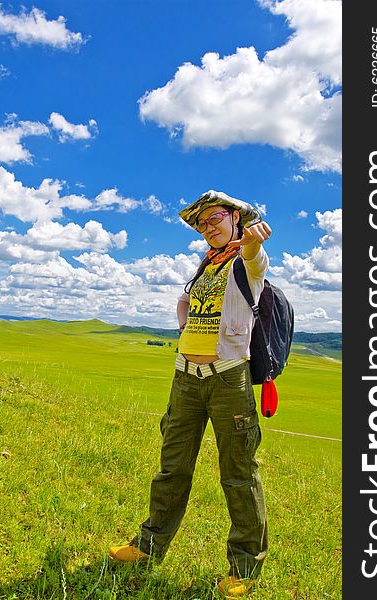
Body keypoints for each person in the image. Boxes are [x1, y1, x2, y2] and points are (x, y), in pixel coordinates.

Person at [109, 190, 272, 598]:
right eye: (202, 223)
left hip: (227, 379)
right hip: (186, 377)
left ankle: (245, 568)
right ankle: (148, 547)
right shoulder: (205, 265)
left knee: (238, 474)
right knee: (172, 467)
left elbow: (256, 255)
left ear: (236, 217)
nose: (208, 227)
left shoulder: (246, 262)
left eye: (215, 218)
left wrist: (252, 241)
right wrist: (185, 331)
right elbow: (184, 303)